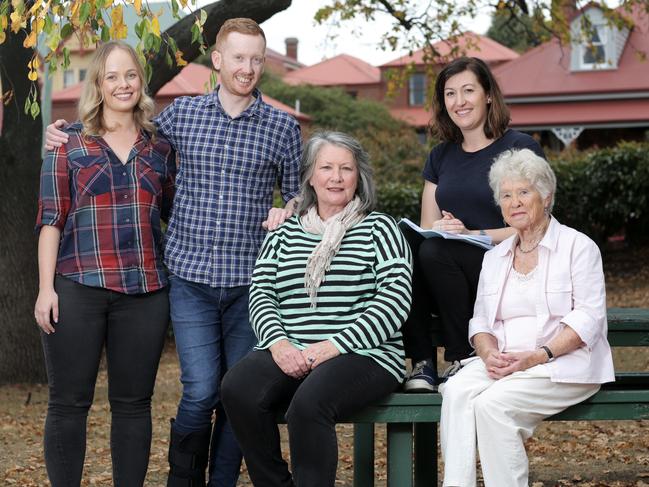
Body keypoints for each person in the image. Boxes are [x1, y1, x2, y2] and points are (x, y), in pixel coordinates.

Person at [44, 19, 302, 487]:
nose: (247, 68)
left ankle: (220, 481)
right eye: (238, 58)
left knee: (236, 395)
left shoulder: (282, 127)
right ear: (218, 61)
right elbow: (120, 133)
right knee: (201, 391)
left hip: (251, 284)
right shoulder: (180, 118)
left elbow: (300, 194)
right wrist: (58, 134)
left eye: (256, 59)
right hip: (189, 280)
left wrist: (289, 208)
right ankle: (183, 480)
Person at [220, 131, 413, 487]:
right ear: (310, 175)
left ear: (359, 177)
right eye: (326, 167)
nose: (336, 177)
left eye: (346, 168)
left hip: (363, 353)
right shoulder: (282, 234)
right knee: (237, 388)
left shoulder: (380, 228)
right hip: (291, 347)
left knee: (308, 406)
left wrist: (332, 346)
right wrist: (279, 345)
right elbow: (262, 294)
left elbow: (395, 297)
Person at [34, 41, 176, 487]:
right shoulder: (68, 143)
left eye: (130, 75)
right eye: (112, 76)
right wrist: (45, 289)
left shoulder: (161, 149)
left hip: (145, 292)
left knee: (134, 404)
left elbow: (171, 214)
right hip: (77, 287)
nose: (122, 84)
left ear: (141, 82)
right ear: (98, 83)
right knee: (69, 403)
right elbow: (50, 219)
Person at [439, 148, 615, 487]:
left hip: (562, 362)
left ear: (546, 196)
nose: (515, 201)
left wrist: (536, 356)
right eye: (506, 195)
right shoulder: (496, 257)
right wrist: (489, 353)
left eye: (524, 191)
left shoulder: (579, 247)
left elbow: (588, 318)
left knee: (492, 406)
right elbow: (481, 323)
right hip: (506, 360)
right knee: (457, 389)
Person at [401, 56, 545, 393]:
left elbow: (536, 225)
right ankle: (422, 364)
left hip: (507, 267)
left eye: (468, 91)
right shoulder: (440, 156)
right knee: (406, 246)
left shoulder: (519, 147)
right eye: (450, 94)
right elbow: (428, 226)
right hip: (447, 270)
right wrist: (442, 229)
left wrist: (471, 234)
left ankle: (462, 356)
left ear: (489, 95)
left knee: (436, 250)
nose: (459, 101)